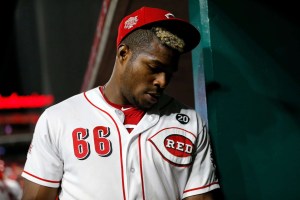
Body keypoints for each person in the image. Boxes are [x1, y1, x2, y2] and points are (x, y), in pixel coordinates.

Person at [21, 6, 220, 200]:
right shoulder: (58, 119)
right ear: (123, 54)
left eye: (169, 73)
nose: (162, 81)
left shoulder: (190, 123)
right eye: (154, 67)